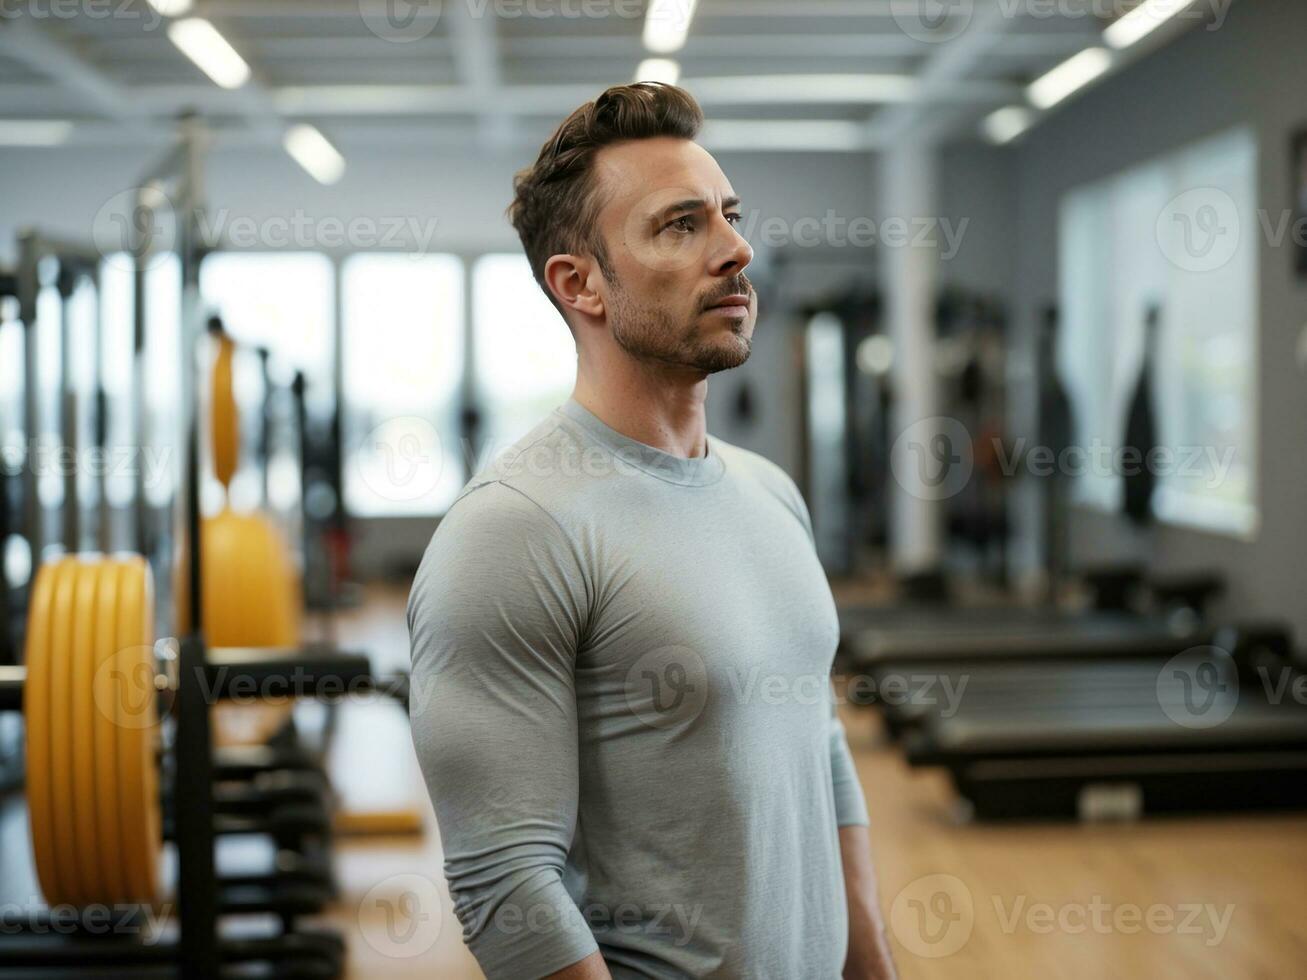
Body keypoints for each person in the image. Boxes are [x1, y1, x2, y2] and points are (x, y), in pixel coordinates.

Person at [408, 82, 898, 980]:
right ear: (578, 283)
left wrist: (871, 965)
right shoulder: (515, 528)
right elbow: (503, 881)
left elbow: (815, 744)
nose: (736, 249)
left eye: (729, 215)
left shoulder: (770, 492)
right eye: (681, 225)